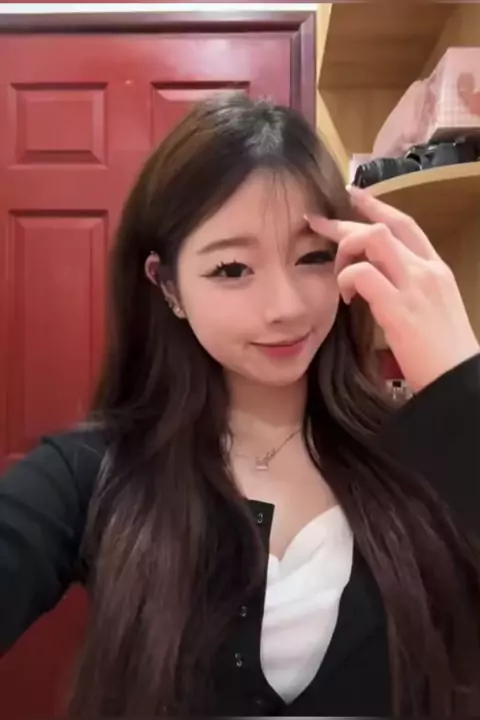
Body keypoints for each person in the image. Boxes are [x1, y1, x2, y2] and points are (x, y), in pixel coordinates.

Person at [0, 94, 480, 718]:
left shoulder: (423, 454)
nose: (285, 306)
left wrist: (462, 386)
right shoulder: (94, 473)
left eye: (313, 257)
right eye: (232, 269)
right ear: (168, 286)